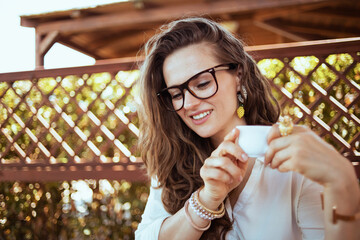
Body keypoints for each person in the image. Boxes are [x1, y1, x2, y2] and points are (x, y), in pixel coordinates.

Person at [134, 17, 360, 240]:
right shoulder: (174, 161)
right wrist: (205, 200)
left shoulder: (289, 159)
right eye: (176, 94)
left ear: (238, 77)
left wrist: (343, 184)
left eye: (202, 84)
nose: (189, 103)